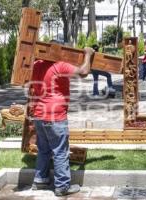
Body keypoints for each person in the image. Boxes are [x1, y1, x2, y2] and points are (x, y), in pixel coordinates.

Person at [31, 44, 94, 196]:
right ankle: (62, 187)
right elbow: (84, 71)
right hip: (55, 115)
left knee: (44, 149)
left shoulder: (36, 64)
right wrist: (88, 54)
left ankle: (40, 180)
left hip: (39, 114)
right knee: (60, 151)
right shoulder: (60, 66)